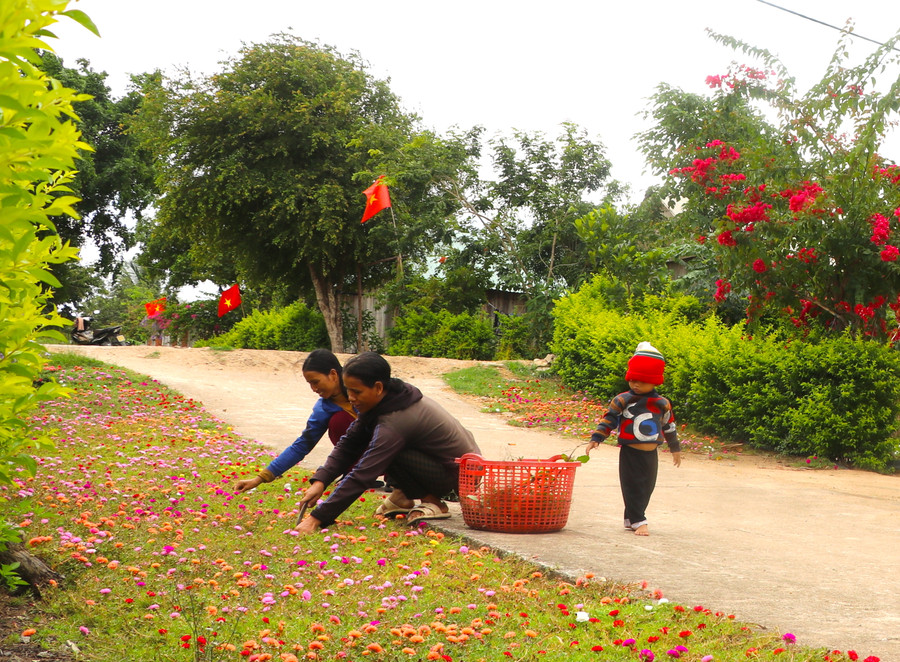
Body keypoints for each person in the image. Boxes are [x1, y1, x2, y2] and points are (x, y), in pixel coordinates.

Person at [294, 351, 480, 534]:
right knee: (381, 444)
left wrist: (317, 518)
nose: (350, 397)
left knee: (384, 448)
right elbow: (348, 444)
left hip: (459, 479)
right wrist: (321, 480)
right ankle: (402, 497)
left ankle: (433, 502)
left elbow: (363, 473)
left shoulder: (396, 418)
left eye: (356, 391)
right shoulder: (387, 401)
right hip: (446, 469)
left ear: (378, 387)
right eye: (348, 389)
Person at [587, 342, 681, 536]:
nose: (636, 385)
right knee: (632, 485)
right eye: (633, 380)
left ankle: (631, 518)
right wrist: (597, 437)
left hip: (651, 453)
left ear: (654, 382)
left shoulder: (662, 403)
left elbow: (669, 426)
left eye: (642, 381)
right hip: (630, 451)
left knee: (647, 487)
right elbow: (609, 419)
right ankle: (639, 521)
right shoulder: (623, 399)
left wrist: (675, 448)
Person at [234, 349, 357, 494]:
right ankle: (355, 471)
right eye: (310, 384)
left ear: (333, 374)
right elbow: (302, 445)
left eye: (316, 382)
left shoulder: (362, 385)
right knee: (338, 421)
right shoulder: (324, 408)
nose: (313, 389)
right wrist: (260, 478)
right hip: (366, 452)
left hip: (381, 445)